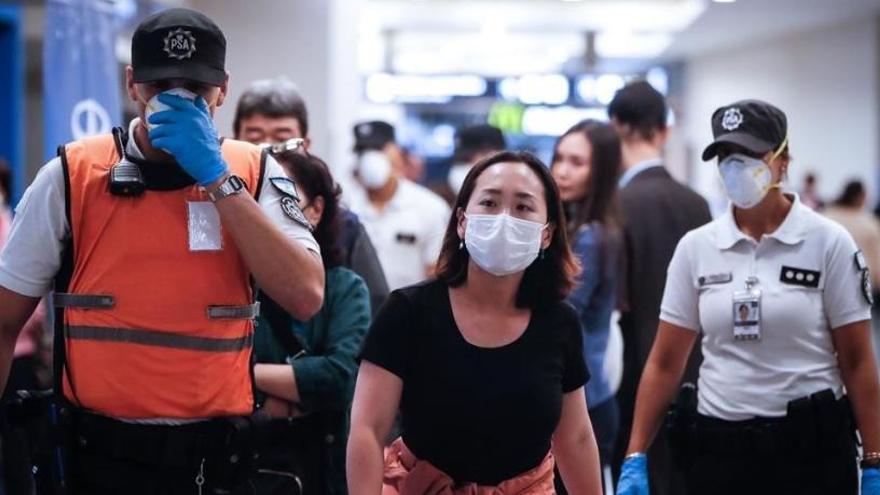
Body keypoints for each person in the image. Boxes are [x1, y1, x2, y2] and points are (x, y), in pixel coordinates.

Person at [0, 8, 325, 494]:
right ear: (132, 84)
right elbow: (4, 319)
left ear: (223, 89)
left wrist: (216, 176)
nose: (177, 100)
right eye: (160, 86)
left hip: (212, 461)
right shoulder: (73, 174)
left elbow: (306, 295)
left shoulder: (257, 172)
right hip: (95, 458)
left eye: (195, 89)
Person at [616, 100, 880, 495]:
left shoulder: (828, 243)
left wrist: (874, 459)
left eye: (748, 154)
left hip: (810, 455)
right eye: (725, 155)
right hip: (720, 452)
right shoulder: (697, 247)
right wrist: (635, 455)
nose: (734, 167)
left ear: (782, 161)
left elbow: (858, 361)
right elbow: (665, 361)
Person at [347, 151, 603, 494]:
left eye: (523, 207)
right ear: (462, 221)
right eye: (490, 203)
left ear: (546, 234)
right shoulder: (408, 311)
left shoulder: (558, 322)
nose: (503, 219)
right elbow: (367, 428)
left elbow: (575, 436)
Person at [246, 150, 370, 495]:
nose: (266, 214)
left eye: (282, 198)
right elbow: (205, 375)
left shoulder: (345, 288)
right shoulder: (233, 288)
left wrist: (246, 376)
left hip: (323, 468)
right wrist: (299, 390)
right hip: (247, 466)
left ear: (315, 210)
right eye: (258, 200)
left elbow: (341, 379)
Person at [609, 80, 711, 495]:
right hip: (697, 372)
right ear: (664, 131)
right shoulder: (698, 204)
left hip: (631, 374)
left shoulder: (615, 206)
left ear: (615, 127)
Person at [233, 77, 390, 315]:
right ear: (235, 143)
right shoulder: (214, 214)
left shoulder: (341, 226)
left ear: (305, 144)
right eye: (255, 139)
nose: (269, 153)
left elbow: (377, 310)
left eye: (282, 140)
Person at [551, 120, 623, 494]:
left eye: (577, 162)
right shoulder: (576, 227)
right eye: (559, 158)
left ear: (602, 171)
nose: (562, 170)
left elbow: (560, 314)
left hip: (585, 405)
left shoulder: (593, 236)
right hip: (582, 398)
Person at [346, 120, 450, 291]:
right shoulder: (345, 206)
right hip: (358, 313)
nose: (371, 158)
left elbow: (436, 273)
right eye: (363, 151)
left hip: (410, 313)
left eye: (379, 149)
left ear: (398, 153)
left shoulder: (430, 207)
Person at [434, 124, 507, 205]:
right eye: (463, 160)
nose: (466, 167)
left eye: (482, 155)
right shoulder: (437, 199)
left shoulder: (512, 196)